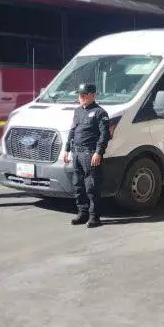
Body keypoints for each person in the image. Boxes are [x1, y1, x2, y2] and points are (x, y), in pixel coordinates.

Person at [63, 83, 110, 228]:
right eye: (79, 95)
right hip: (77, 152)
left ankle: (94, 217)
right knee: (78, 185)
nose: (81, 97)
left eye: (84, 94)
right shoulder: (78, 111)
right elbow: (72, 130)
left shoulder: (100, 113)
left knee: (92, 186)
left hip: (90, 153)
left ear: (93, 95)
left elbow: (104, 135)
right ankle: (82, 213)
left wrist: (98, 152)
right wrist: (67, 149)